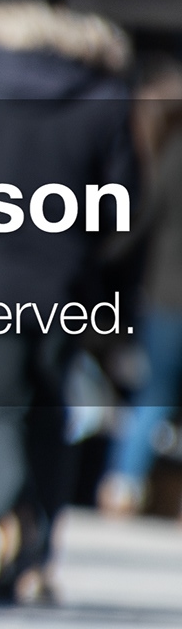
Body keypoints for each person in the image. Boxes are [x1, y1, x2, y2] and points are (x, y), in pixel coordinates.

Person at [0, 0, 136, 605]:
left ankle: (10, 514)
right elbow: (121, 201)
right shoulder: (105, 95)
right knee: (51, 409)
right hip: (66, 273)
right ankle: (42, 554)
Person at [105, 65, 182, 517]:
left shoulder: (170, 156)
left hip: (167, 297)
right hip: (167, 295)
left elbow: (140, 224)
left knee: (154, 393)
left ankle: (122, 485)